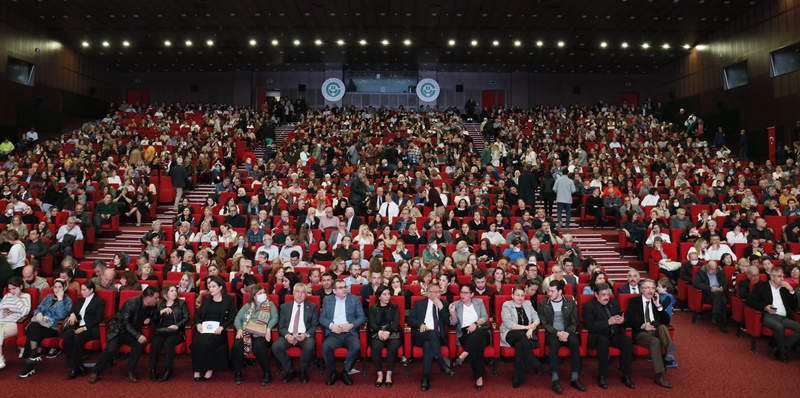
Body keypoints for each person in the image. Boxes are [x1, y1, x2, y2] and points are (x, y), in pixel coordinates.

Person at [87, 286, 160, 384]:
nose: (158, 300)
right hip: (118, 330)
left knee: (139, 346)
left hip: (132, 331)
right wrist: (138, 336)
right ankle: (95, 371)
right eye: (156, 298)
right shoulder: (132, 303)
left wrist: (150, 319)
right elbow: (125, 323)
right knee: (111, 349)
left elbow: (155, 316)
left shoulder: (152, 305)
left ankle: (129, 371)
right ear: (147, 298)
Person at [582, 282, 635, 389]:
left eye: (607, 294)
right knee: (603, 342)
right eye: (603, 295)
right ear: (596, 295)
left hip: (614, 335)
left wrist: (622, 321)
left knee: (627, 341)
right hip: (598, 336)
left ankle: (626, 375)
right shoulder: (588, 306)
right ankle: (602, 376)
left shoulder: (613, 302)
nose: (606, 297)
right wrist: (608, 322)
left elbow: (622, 318)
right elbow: (590, 325)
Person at [625, 279, 676, 389]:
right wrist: (642, 325)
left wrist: (658, 305)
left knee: (662, 327)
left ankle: (669, 350)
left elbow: (666, 321)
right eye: (647, 288)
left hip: (654, 329)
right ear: (641, 290)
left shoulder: (656, 301)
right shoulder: (633, 301)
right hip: (641, 332)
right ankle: (659, 375)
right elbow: (629, 319)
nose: (650, 290)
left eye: (653, 288)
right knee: (655, 341)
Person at [18, 277, 72, 377]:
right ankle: (33, 355)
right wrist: (38, 313)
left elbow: (61, 316)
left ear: (64, 288)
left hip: (54, 327)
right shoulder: (48, 297)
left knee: (33, 329)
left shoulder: (67, 300)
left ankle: (30, 362)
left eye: (60, 287)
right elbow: (38, 309)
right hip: (41, 324)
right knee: (34, 326)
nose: (57, 290)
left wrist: (60, 300)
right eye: (55, 287)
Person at [538, 280, 585, 392]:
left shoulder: (570, 303)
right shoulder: (543, 304)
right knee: (553, 345)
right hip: (552, 333)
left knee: (575, 343)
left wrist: (567, 333)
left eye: (552, 291)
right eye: (548, 290)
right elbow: (544, 323)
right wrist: (557, 333)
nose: (549, 293)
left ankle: (575, 378)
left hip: (567, 331)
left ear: (559, 292)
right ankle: (555, 379)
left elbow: (574, 322)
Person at [407, 284, 455, 391]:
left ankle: (425, 378)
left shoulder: (444, 304)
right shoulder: (419, 304)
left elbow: (448, 322)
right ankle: (442, 364)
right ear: (428, 294)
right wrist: (420, 325)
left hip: (437, 338)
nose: (438, 294)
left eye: (439, 292)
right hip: (421, 334)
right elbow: (410, 320)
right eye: (434, 292)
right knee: (430, 333)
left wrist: (441, 307)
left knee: (428, 345)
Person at [745, 268, 800, 363]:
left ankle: (779, 349)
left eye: (783, 276)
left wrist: (791, 290)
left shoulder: (784, 288)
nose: (782, 279)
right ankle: (782, 353)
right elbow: (750, 301)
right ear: (772, 277)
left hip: (783, 316)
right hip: (768, 316)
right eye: (779, 276)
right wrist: (765, 307)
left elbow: (793, 305)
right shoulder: (761, 286)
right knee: (779, 327)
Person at [320, 279, 366, 386]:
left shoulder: (354, 299)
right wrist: (332, 325)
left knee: (356, 346)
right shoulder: (328, 300)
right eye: (341, 288)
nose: (344, 289)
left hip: (349, 333)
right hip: (333, 333)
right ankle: (333, 373)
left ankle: (345, 372)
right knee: (325, 347)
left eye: (345, 287)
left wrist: (351, 325)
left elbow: (362, 317)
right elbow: (322, 318)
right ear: (334, 290)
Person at [191, 276, 236, 381]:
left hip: (218, 330)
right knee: (197, 341)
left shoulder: (229, 299)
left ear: (220, 288)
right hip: (204, 329)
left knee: (209, 343)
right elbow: (197, 314)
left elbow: (232, 316)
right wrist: (198, 324)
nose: (210, 288)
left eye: (213, 286)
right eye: (209, 286)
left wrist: (222, 326)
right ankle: (197, 369)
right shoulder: (206, 299)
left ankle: (209, 368)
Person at [272, 282, 318, 384]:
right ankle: (290, 370)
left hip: (304, 335)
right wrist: (287, 335)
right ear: (293, 293)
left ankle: (303, 370)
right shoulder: (284, 307)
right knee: (276, 347)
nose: (299, 294)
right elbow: (281, 326)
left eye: (302, 292)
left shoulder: (312, 307)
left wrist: (305, 335)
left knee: (310, 346)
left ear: (306, 294)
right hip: (289, 334)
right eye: (297, 291)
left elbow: (315, 325)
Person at [500, 285, 545, 388]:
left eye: (522, 295)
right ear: (512, 296)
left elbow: (537, 318)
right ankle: (534, 362)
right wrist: (526, 328)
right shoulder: (507, 305)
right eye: (517, 295)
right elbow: (509, 324)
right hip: (509, 333)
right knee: (520, 335)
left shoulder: (528, 304)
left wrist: (531, 328)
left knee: (519, 345)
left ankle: (517, 378)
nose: (520, 298)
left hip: (524, 336)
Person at [232, 284, 278, 385]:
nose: (263, 295)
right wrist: (239, 330)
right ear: (254, 296)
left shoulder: (270, 305)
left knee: (259, 347)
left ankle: (267, 373)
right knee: (237, 346)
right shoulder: (247, 306)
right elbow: (237, 319)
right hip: (246, 331)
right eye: (260, 293)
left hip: (261, 333)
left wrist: (269, 329)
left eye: (263, 292)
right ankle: (238, 372)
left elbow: (275, 318)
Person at [448, 284, 490, 390]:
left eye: (466, 293)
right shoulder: (456, 304)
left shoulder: (479, 302)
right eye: (461, 292)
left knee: (479, 333)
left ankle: (464, 354)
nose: (463, 295)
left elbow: (485, 317)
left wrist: (475, 324)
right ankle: (479, 377)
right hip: (464, 333)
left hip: (480, 330)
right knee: (476, 347)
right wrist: (452, 312)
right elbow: (453, 323)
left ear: (471, 294)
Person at [64, 280, 105, 380]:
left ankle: (74, 368)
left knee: (78, 338)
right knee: (67, 337)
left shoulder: (99, 301)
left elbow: (98, 319)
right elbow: (73, 310)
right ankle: (79, 365)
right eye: (81, 289)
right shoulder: (81, 300)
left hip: (91, 328)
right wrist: (73, 314)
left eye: (84, 290)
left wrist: (84, 328)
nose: (81, 292)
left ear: (91, 290)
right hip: (78, 326)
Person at [148, 283, 190, 382]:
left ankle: (168, 370)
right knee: (156, 344)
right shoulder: (159, 304)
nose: (175, 292)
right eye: (172, 291)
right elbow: (152, 318)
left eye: (175, 290)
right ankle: (152, 369)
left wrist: (177, 325)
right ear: (166, 293)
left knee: (169, 343)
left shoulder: (181, 303)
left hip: (175, 332)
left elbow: (186, 318)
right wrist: (161, 312)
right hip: (161, 331)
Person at [368, 285, 401, 388]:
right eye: (385, 294)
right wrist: (379, 331)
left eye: (389, 294)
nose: (388, 296)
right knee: (376, 347)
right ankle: (380, 374)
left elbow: (396, 323)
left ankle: (388, 374)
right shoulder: (372, 308)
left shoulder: (394, 307)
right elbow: (371, 323)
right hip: (378, 333)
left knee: (392, 348)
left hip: (392, 333)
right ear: (379, 296)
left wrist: (387, 332)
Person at [0, 276, 32, 368]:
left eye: (14, 288)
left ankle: (0, 359)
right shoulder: (6, 296)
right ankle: (0, 358)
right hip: (2, 321)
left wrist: (17, 298)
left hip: (15, 323)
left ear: (21, 287)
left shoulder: (26, 296)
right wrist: (3, 314)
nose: (12, 291)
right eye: (10, 289)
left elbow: (26, 312)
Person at [692, 260, 729, 333]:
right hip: (708, 295)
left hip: (719, 293)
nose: (713, 271)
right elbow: (696, 284)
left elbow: (725, 283)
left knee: (720, 296)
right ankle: (722, 323)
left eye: (715, 269)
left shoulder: (720, 272)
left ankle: (715, 314)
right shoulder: (701, 273)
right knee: (723, 300)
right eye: (711, 269)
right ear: (707, 267)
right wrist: (710, 289)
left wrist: (722, 288)